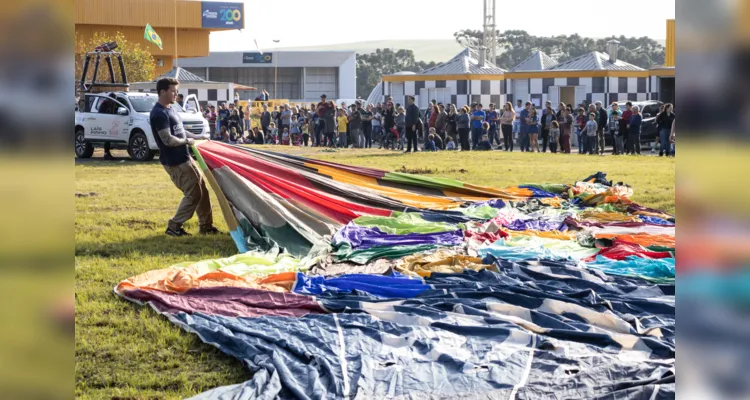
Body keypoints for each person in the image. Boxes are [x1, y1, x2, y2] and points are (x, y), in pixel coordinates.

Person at [149, 78, 217, 237]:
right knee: (193, 194)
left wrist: (198, 136)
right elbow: (168, 140)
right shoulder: (158, 114)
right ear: (162, 91)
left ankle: (206, 226)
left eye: (176, 91)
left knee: (202, 191)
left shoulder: (170, 109)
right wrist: (187, 141)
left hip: (185, 158)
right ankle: (173, 226)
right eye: (173, 91)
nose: (176, 94)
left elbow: (180, 131)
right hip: (175, 162)